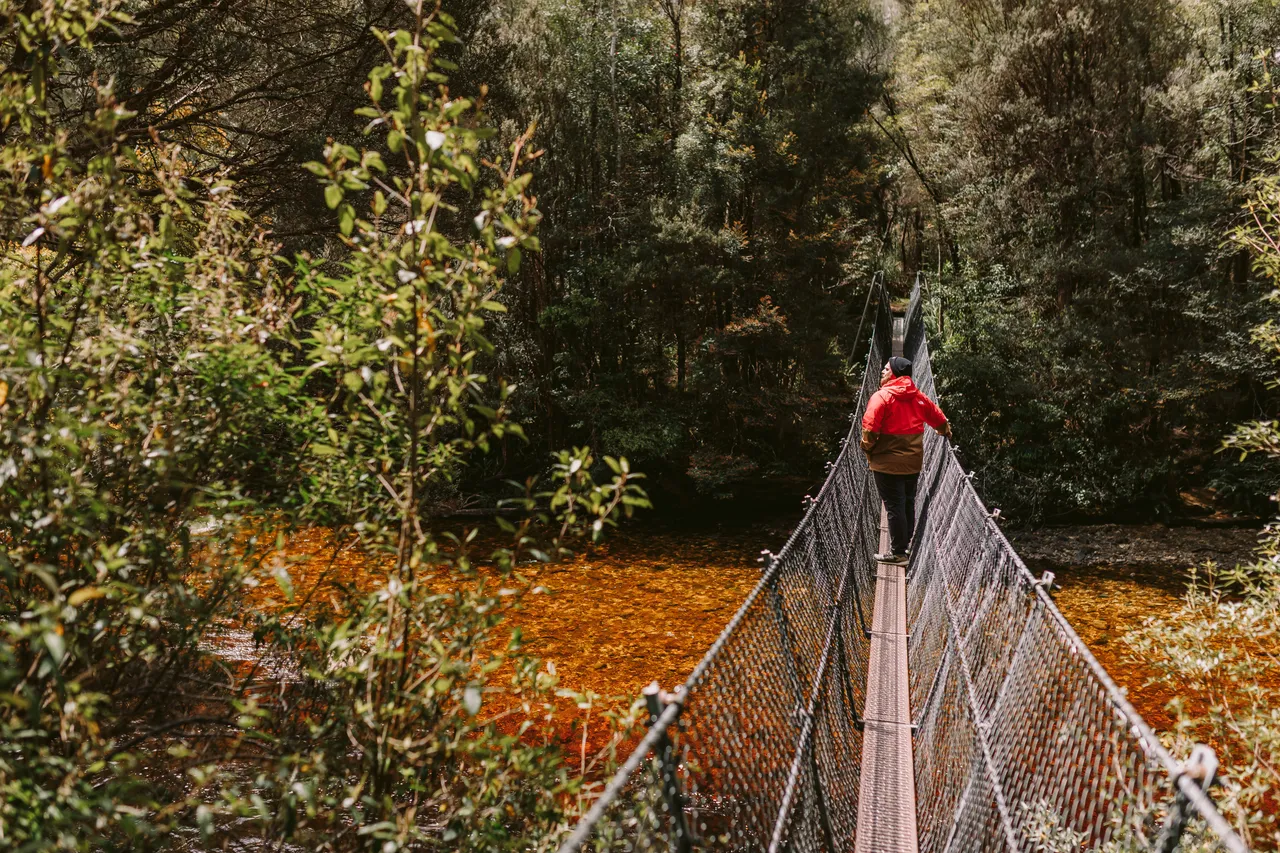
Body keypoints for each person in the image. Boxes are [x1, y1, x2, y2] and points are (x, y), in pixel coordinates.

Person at [861, 356, 951, 565]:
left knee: (894, 506)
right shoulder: (918, 397)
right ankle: (905, 544)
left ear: (894, 373)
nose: (881, 372)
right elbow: (940, 420)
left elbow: (870, 430)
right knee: (907, 502)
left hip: (886, 464)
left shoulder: (881, 397)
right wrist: (944, 432)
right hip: (912, 463)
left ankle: (899, 552)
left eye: (885, 369)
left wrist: (867, 449)